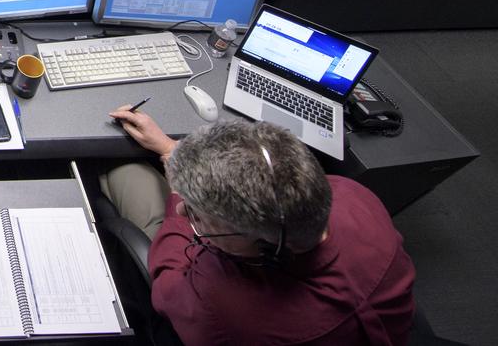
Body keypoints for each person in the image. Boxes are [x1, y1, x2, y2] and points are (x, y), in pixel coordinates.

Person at [101, 112, 415, 345]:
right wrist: (174, 151)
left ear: (262, 245)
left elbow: (167, 281)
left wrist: (176, 195)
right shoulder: (354, 196)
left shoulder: (220, 306)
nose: (184, 210)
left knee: (123, 170)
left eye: (196, 215)